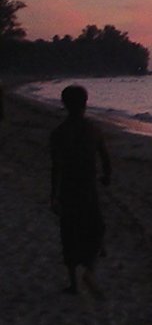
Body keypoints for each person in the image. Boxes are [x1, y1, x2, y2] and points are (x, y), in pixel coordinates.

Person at [50, 85, 111, 296]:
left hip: (68, 188)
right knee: (96, 229)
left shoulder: (59, 133)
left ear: (64, 105)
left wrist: (53, 196)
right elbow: (105, 158)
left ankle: (74, 284)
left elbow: (55, 168)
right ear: (85, 104)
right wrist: (106, 178)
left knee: (69, 233)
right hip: (88, 188)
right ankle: (90, 271)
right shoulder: (94, 129)